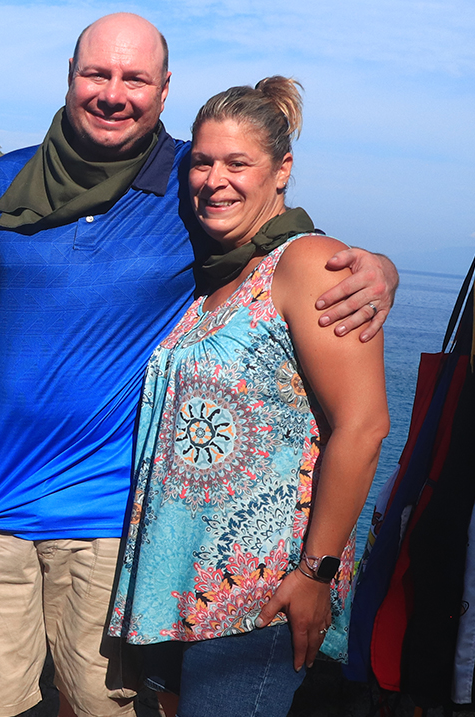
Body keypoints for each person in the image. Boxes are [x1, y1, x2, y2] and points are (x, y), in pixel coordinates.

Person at [0, 13, 398, 717]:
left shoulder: (187, 182)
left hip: (116, 528)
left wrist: (380, 270)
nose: (114, 93)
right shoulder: (0, 186)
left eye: (134, 78)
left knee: (107, 707)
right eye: (97, 74)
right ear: (71, 77)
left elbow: (282, 242)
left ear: (164, 89)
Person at [107, 77, 389, 717]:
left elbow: (365, 425)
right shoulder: (216, 279)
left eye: (238, 163)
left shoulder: (307, 262)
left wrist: (314, 574)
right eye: (203, 162)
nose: (215, 179)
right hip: (182, 599)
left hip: (259, 600)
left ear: (281, 169)